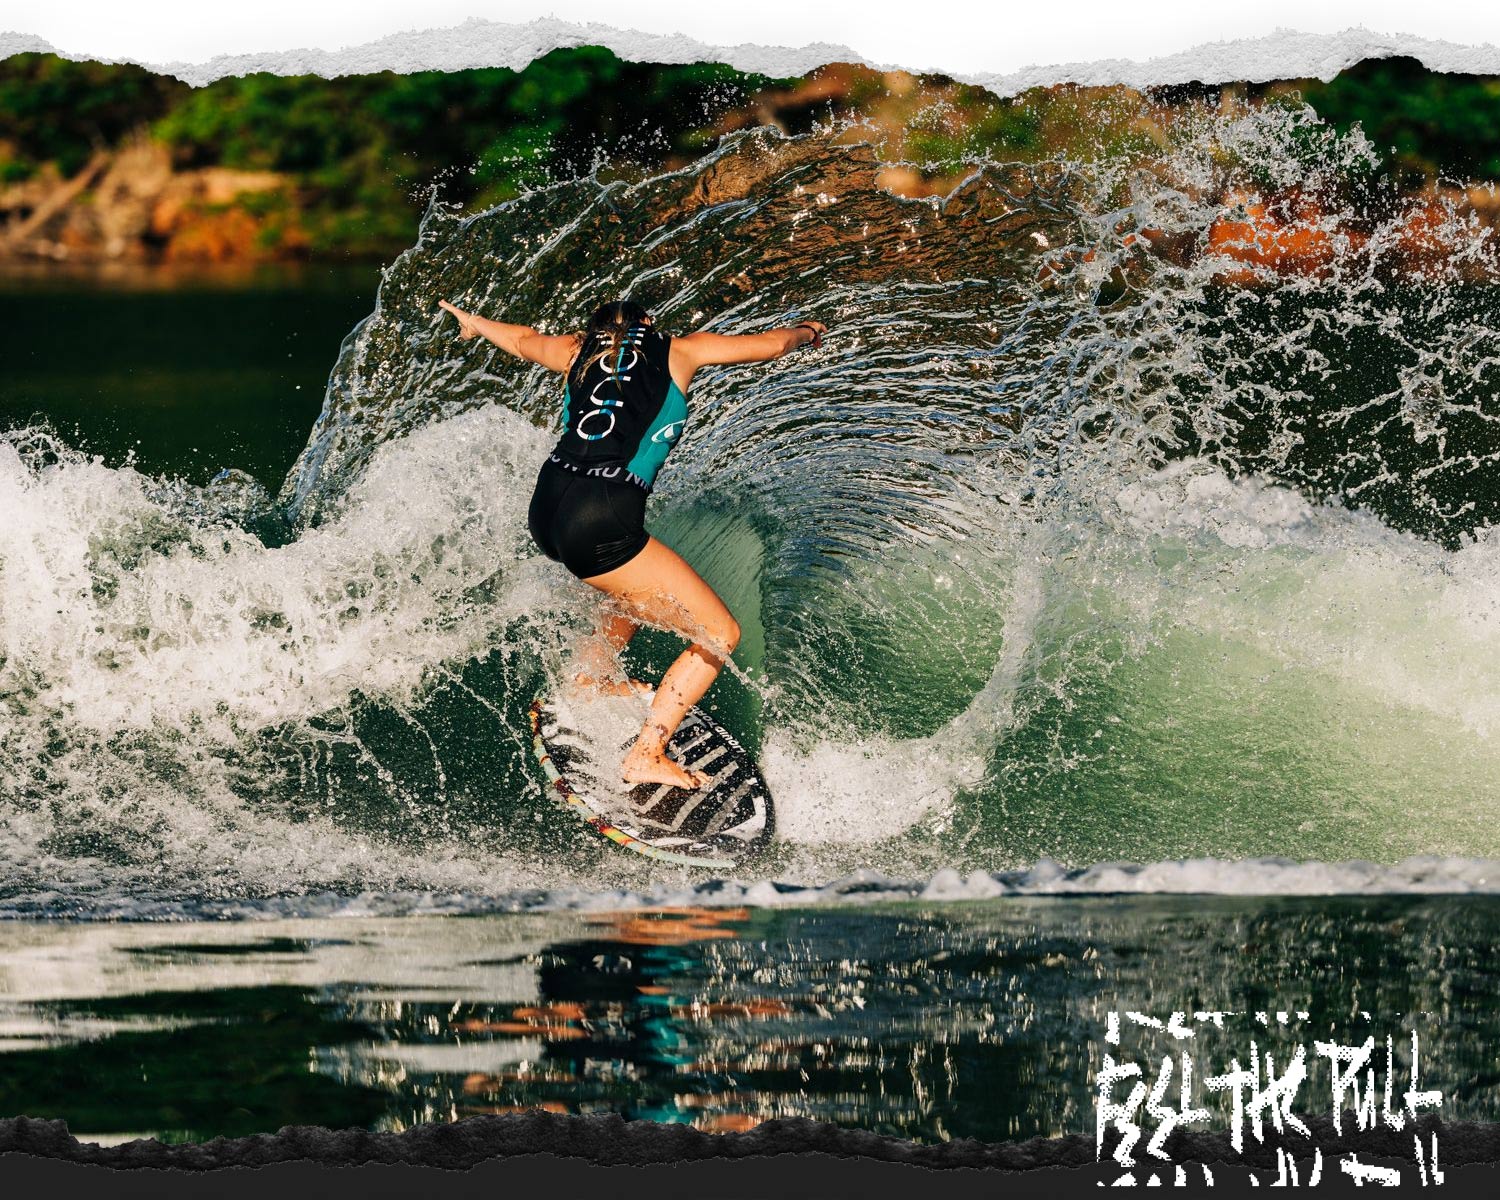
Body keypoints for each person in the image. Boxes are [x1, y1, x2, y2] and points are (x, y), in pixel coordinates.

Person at [438, 297, 826, 790]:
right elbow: (773, 344)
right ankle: (646, 753)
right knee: (719, 633)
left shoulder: (577, 351)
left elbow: (519, 338)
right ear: (648, 324)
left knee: (634, 586)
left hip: (549, 507)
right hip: (602, 513)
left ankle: (590, 678)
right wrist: (809, 330)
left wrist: (474, 322)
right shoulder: (680, 350)